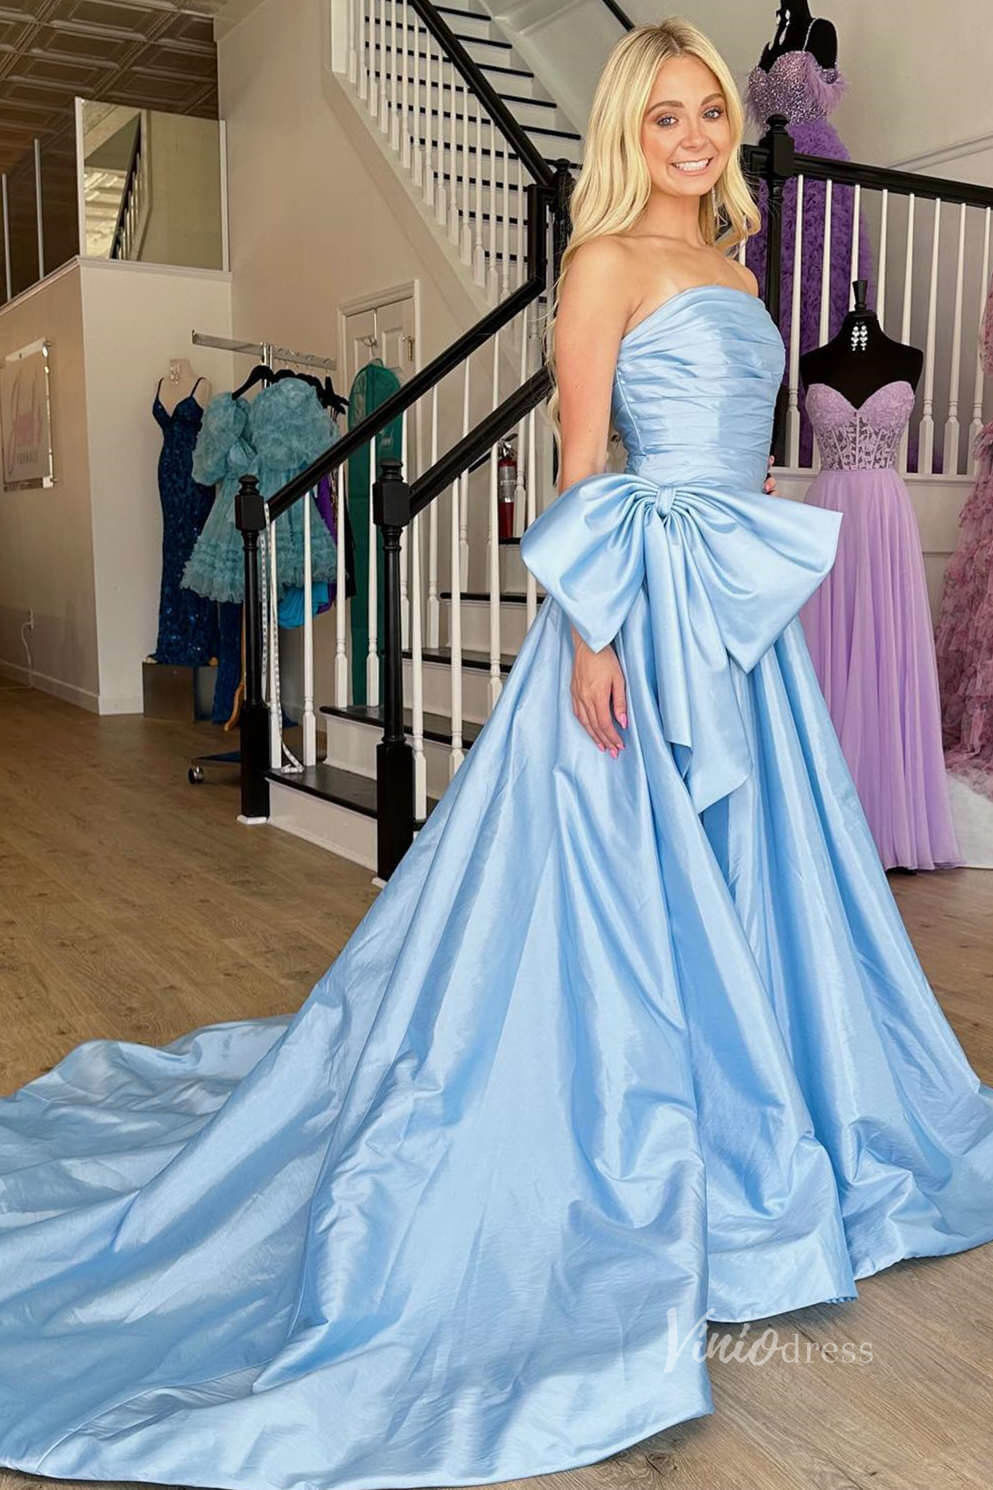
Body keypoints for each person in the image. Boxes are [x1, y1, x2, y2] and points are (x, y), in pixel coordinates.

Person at [1, 18, 992, 1490]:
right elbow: (583, 464)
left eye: (707, 113)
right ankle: (632, 1130)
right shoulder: (599, 265)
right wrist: (592, 637)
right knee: (613, 891)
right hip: (634, 614)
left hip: (737, 620)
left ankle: (764, 1112)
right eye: (663, 116)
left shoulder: (741, 269)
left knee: (773, 876)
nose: (693, 138)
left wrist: (765, 539)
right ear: (625, 131)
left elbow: (743, 445)